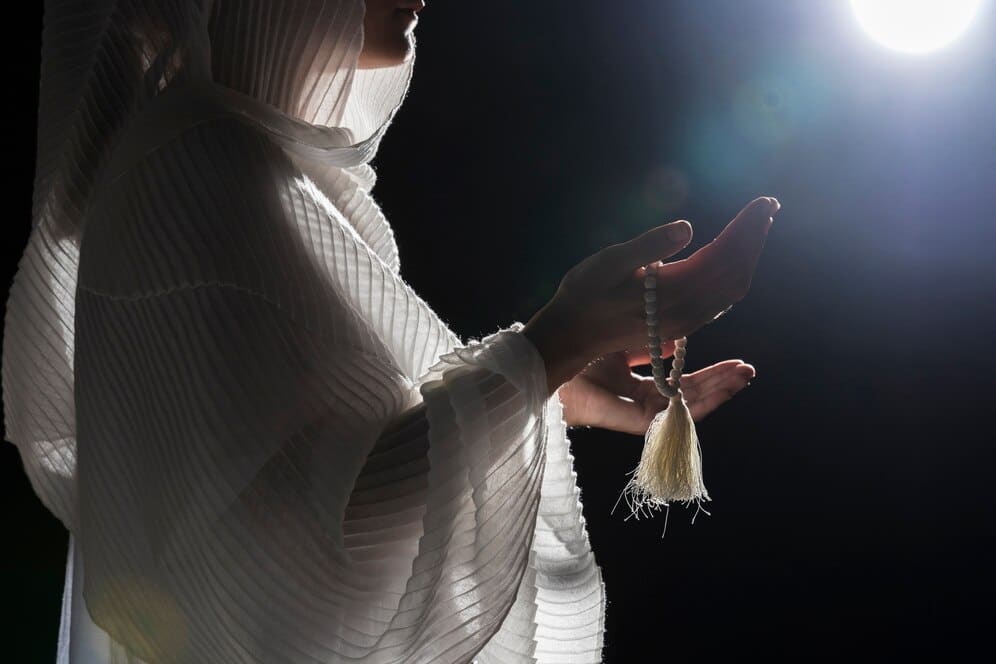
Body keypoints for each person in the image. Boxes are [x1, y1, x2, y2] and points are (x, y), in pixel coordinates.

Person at [2, 1, 777, 662]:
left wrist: (551, 382)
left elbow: (302, 487)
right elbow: (296, 584)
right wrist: (554, 343)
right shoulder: (203, 159)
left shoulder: (263, 173)